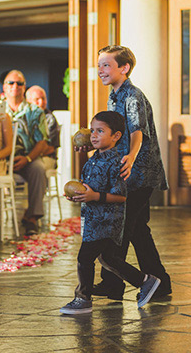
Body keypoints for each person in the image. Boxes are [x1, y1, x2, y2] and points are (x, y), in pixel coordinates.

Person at [60, 111, 160, 315]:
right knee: (109, 259)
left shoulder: (117, 163)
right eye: (92, 130)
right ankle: (146, 281)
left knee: (84, 258)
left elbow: (121, 197)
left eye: (100, 131)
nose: (93, 135)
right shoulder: (92, 161)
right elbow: (88, 189)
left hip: (107, 222)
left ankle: (83, 298)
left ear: (116, 136)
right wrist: (78, 196)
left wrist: (95, 197)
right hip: (93, 221)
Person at [93, 45, 171, 300]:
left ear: (123, 68)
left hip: (138, 175)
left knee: (120, 229)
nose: (101, 69)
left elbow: (138, 131)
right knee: (138, 230)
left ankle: (121, 283)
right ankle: (160, 283)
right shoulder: (113, 95)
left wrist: (132, 156)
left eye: (106, 64)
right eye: (100, 64)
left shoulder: (132, 96)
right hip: (125, 173)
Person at [3, 70, 49, 236]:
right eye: (11, 83)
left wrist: (28, 158)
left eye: (20, 83)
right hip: (1, 159)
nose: (15, 86)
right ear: (4, 87)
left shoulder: (35, 112)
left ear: (24, 87)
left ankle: (32, 218)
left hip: (27, 158)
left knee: (39, 169)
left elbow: (42, 141)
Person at [26, 85, 60, 170]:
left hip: (46, 157)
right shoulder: (23, 117)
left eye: (43, 99)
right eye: (37, 99)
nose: (41, 102)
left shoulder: (50, 119)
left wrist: (30, 157)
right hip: (28, 156)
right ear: (28, 101)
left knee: (36, 167)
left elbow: (50, 148)